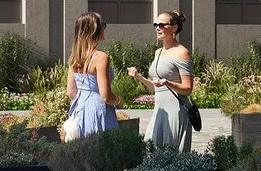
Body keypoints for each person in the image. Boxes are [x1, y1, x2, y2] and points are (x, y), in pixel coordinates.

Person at [129, 11, 196, 151]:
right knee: (150, 151)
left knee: (172, 155)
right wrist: (138, 77)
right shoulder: (158, 52)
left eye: (162, 25)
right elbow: (157, 87)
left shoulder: (182, 52)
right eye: (155, 25)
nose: (157, 28)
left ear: (174, 27)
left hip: (176, 112)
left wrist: (168, 83)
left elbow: (188, 89)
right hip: (159, 112)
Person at [62, 13, 118, 142]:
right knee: (103, 148)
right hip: (98, 109)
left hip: (79, 108)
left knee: (83, 148)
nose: (104, 29)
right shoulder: (101, 57)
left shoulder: (75, 57)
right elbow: (106, 96)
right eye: (103, 25)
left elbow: (71, 92)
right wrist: (119, 100)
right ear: (94, 29)